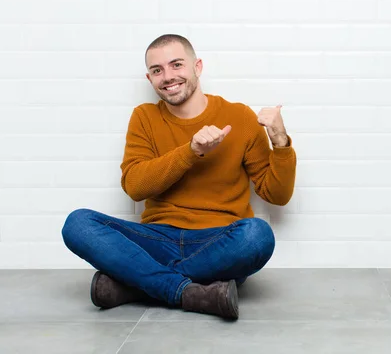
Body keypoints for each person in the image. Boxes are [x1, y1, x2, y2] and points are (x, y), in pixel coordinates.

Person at [61, 34, 297, 320]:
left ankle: (139, 285)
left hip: (216, 243)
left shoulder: (240, 117)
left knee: (257, 236)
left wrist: (280, 142)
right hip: (157, 239)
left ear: (197, 67)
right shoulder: (144, 117)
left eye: (176, 65)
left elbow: (277, 195)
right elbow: (135, 186)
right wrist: (191, 151)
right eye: (157, 70)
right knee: (78, 223)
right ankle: (189, 291)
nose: (168, 76)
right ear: (149, 79)